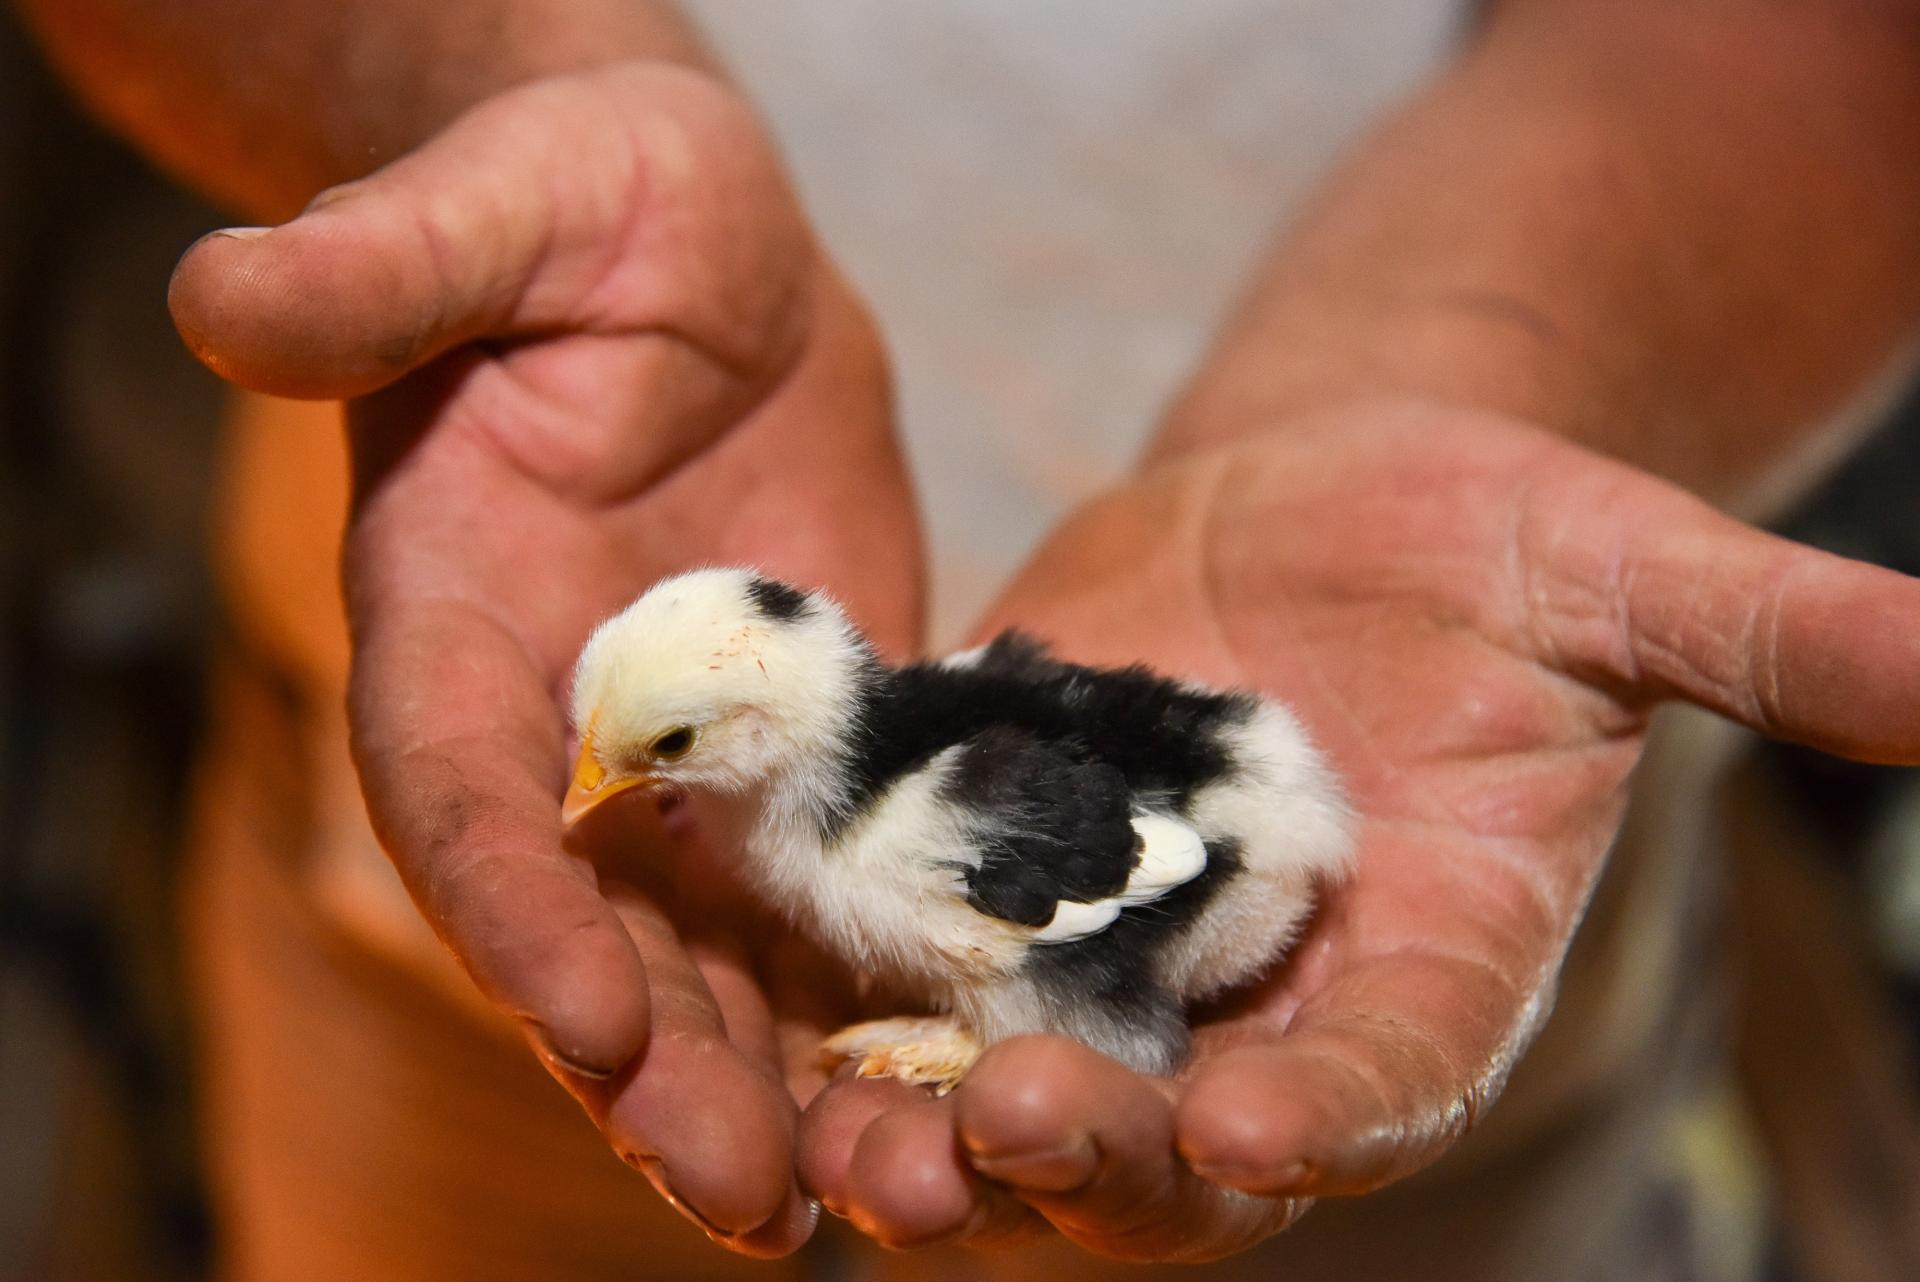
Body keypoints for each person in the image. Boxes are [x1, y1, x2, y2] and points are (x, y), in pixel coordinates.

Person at [16, 0, 1920, 1276]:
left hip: (1465, 892)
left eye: (651, 755)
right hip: (401, 923)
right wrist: (475, 84)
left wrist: (1488, 352)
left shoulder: (906, 824)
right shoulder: (847, 771)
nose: (616, 789)